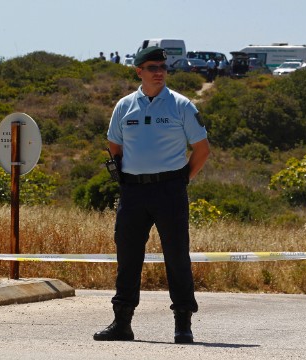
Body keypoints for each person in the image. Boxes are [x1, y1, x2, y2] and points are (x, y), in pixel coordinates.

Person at [94, 46, 211, 344]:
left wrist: (183, 179)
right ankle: (122, 323)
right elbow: (114, 146)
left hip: (169, 190)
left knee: (176, 256)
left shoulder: (181, 105)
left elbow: (202, 150)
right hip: (133, 191)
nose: (159, 72)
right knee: (128, 256)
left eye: (162, 67)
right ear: (139, 72)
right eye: (152, 67)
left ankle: (183, 324)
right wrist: (126, 176)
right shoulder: (124, 106)